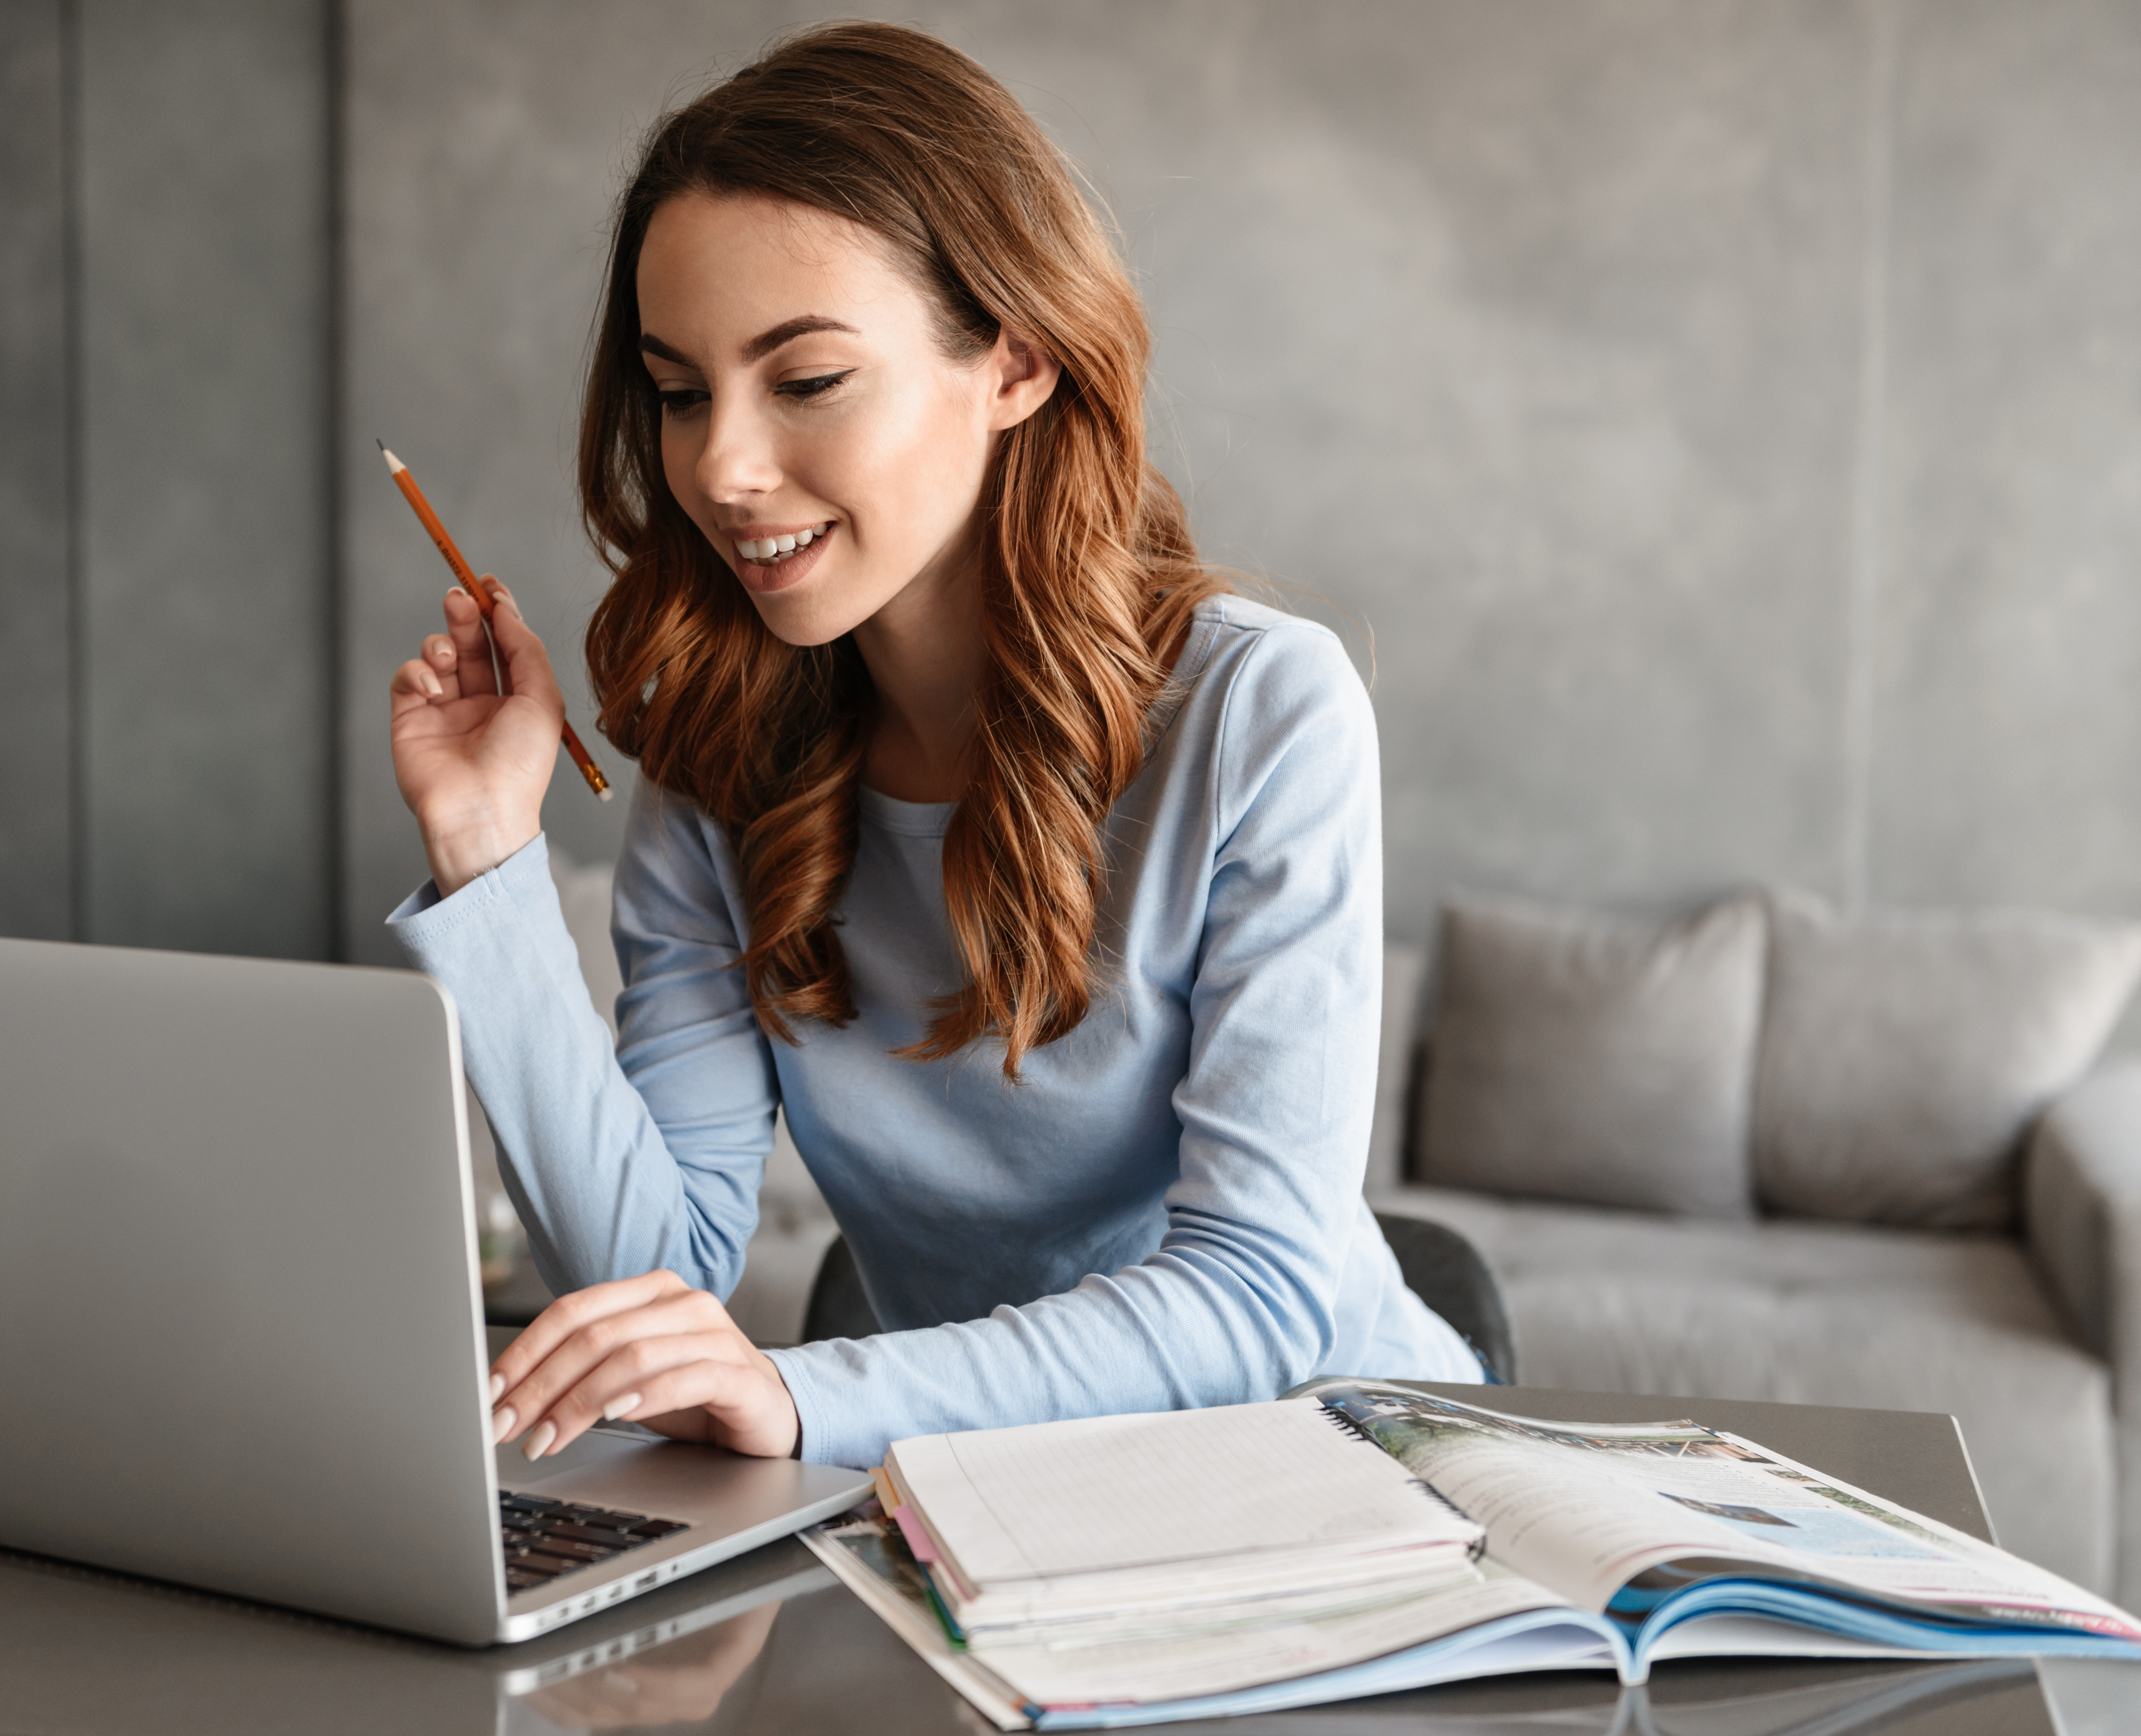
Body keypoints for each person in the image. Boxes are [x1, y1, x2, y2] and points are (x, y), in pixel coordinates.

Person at [384, 21, 1478, 1473]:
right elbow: (657, 1269)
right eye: (681, 388)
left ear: (1014, 361)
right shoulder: (722, 746)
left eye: (808, 379)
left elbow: (1257, 1292)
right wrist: (488, 854)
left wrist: (807, 1401)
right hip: (976, 1508)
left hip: (1338, 1474)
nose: (718, 466)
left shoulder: (1259, 713)